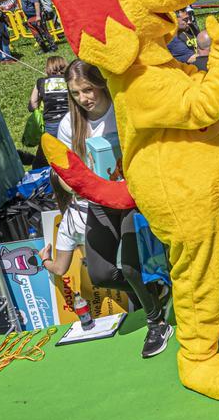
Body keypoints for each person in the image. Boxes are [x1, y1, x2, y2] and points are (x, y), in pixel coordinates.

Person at [43, 59, 171, 359]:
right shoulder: (68, 125)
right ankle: (153, 292)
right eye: (76, 93)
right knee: (100, 273)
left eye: (88, 89)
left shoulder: (122, 110)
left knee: (129, 265)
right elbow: (65, 173)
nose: (84, 98)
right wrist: (71, 186)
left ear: (101, 83)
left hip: (132, 197)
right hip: (98, 202)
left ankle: (156, 322)